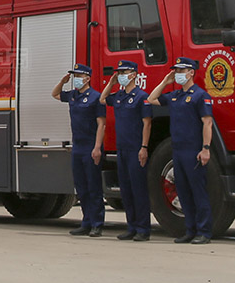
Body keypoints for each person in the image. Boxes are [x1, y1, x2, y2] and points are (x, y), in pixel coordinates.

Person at [146, 57, 213, 244]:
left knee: (198, 192)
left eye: (182, 71)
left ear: (191, 73)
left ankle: (204, 232)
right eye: (176, 71)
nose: (178, 75)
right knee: (183, 191)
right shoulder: (175, 95)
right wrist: (165, 81)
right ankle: (190, 230)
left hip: (193, 150)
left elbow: (207, 123)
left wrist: (206, 148)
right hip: (177, 150)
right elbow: (151, 99)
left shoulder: (200, 95)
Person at [99, 60, 153, 241]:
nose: (121, 75)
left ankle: (143, 229)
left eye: (124, 72)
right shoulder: (119, 96)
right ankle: (131, 226)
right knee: (126, 191)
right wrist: (111, 83)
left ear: (134, 74)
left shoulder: (141, 96)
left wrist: (144, 147)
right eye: (119, 72)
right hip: (121, 149)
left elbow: (147, 124)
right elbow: (102, 99)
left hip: (136, 148)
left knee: (138, 190)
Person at [52, 63, 106, 237]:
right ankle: (86, 221)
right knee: (81, 187)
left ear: (87, 78)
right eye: (74, 76)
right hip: (78, 147)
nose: (76, 79)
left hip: (91, 146)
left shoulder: (95, 97)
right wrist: (63, 81)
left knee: (93, 187)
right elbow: (55, 94)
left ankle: (97, 224)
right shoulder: (73, 95)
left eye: (79, 76)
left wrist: (97, 147)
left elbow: (101, 124)